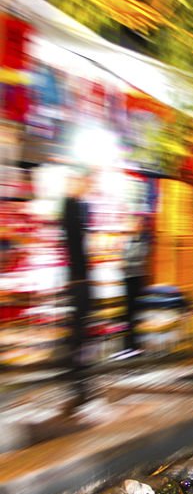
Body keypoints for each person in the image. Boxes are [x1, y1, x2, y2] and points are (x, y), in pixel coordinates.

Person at [61, 172, 92, 405]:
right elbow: (72, 230)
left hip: (80, 278)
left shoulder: (77, 207)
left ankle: (78, 374)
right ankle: (76, 374)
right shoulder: (71, 207)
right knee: (78, 329)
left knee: (80, 329)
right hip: (78, 280)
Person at [121, 216, 149, 356]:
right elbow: (125, 257)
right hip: (128, 278)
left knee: (135, 311)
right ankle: (129, 343)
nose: (132, 226)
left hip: (136, 279)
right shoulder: (128, 241)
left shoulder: (140, 241)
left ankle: (136, 343)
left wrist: (126, 262)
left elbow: (134, 258)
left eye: (135, 224)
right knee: (129, 312)